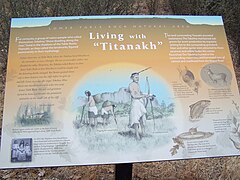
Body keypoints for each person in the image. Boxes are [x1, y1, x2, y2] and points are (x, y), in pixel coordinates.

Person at [128, 72, 152, 140]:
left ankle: (143, 133)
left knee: (142, 118)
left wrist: (149, 95)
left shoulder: (137, 84)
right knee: (136, 119)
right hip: (135, 103)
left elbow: (139, 93)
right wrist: (144, 96)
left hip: (140, 102)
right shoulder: (131, 85)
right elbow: (134, 96)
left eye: (138, 77)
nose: (137, 78)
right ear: (132, 78)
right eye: (136, 77)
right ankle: (137, 135)